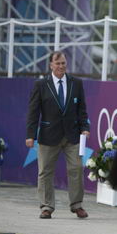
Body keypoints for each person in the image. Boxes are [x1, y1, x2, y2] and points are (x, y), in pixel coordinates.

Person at [26, 51, 90, 219]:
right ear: (51, 65)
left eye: (63, 63)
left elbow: (82, 109)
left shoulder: (76, 83)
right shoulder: (40, 85)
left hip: (73, 135)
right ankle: (46, 206)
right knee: (45, 172)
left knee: (76, 168)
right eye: (58, 63)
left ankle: (77, 205)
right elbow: (33, 112)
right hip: (48, 135)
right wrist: (30, 135)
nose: (61, 66)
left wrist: (85, 127)